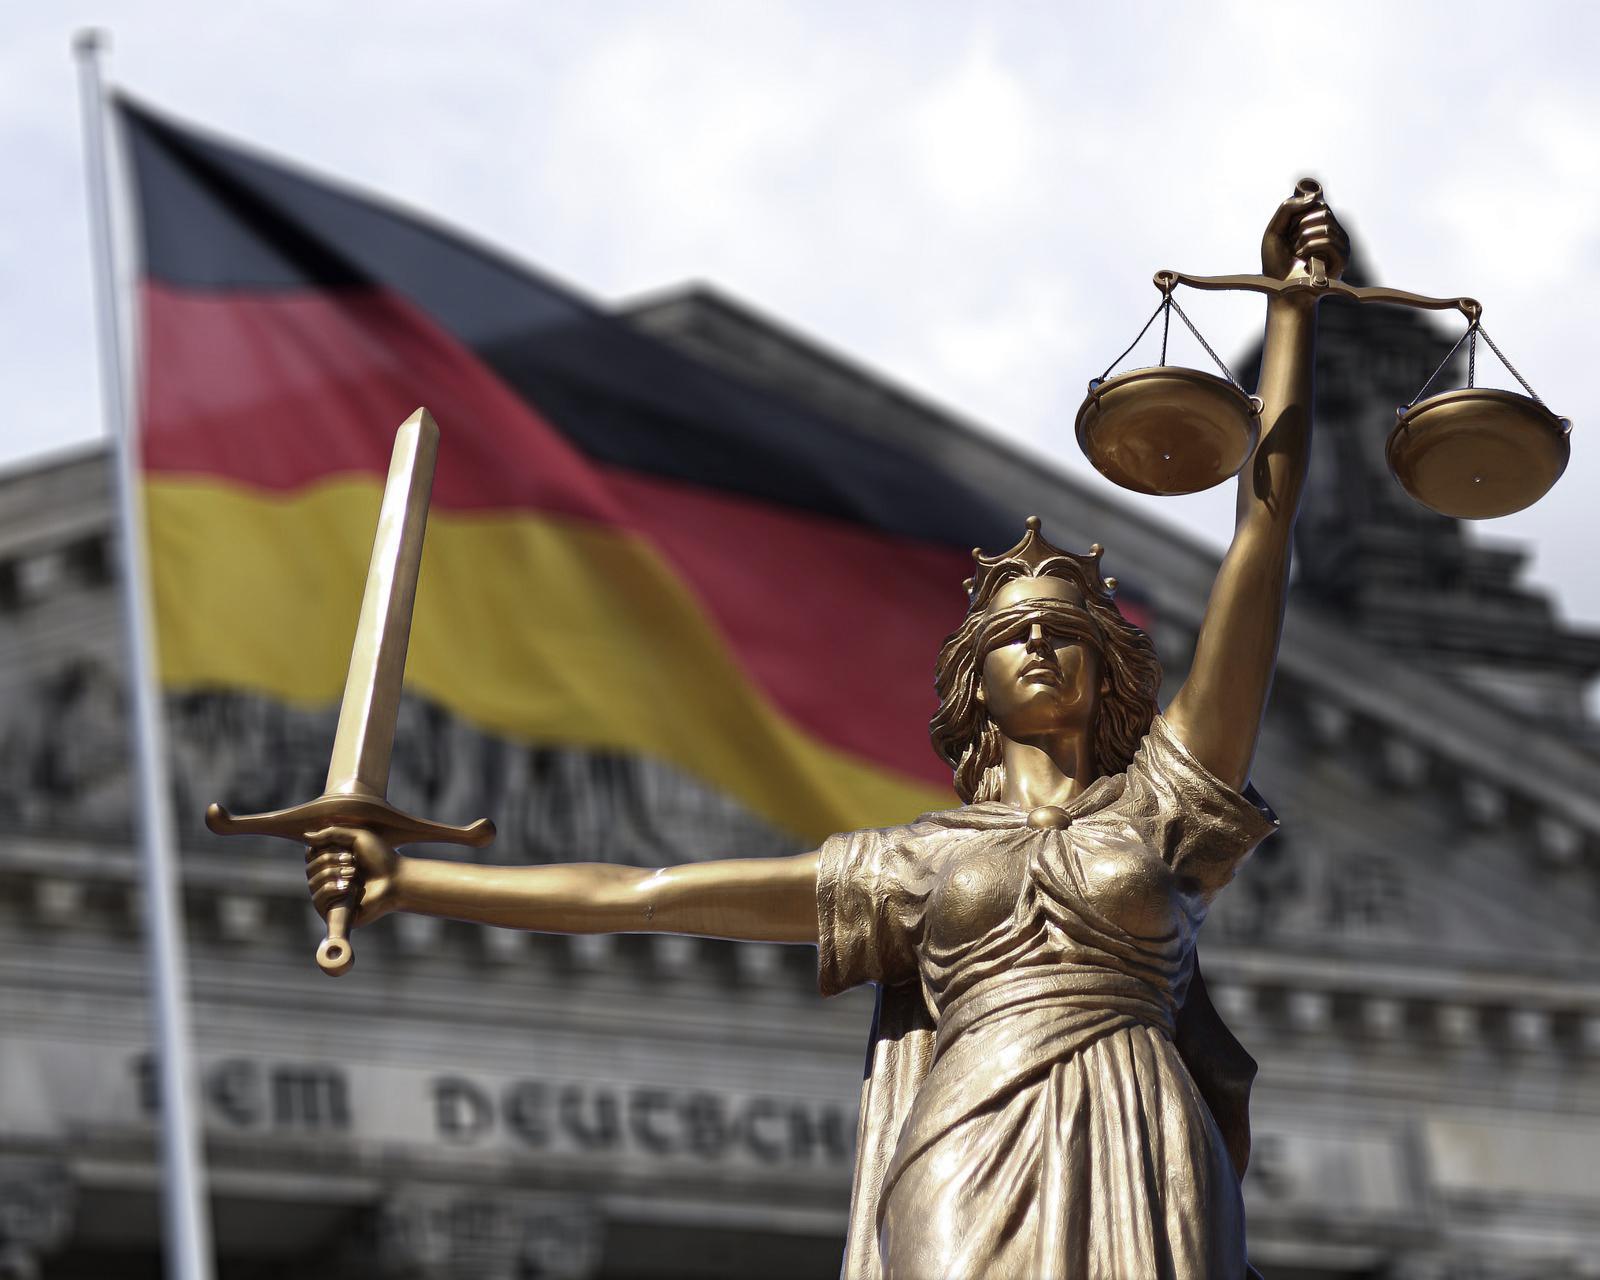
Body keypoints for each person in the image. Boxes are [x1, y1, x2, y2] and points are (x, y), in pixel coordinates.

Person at [306, 191, 1347, 1280]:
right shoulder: (912, 862)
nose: (1040, 648)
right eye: (1014, 635)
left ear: (1109, 666)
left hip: (1136, 1126)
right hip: (965, 1133)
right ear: (973, 684)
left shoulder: (1166, 807)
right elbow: (644, 891)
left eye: (1065, 633)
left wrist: (1291, 322)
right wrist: (407, 883)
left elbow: (1259, 547)